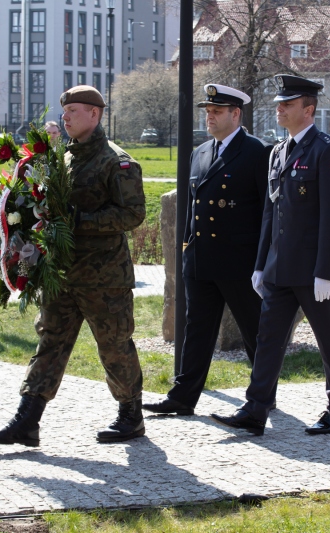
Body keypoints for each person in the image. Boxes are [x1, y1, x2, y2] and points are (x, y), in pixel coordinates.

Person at [0, 86, 146, 446]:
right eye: (65, 111)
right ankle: (27, 420)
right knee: (51, 342)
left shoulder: (116, 161)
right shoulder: (63, 159)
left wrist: (79, 220)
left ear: (95, 115)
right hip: (62, 274)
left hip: (104, 278)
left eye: (74, 110)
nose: (66, 117)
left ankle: (131, 415)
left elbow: (132, 214)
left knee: (114, 345)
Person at [210, 74, 330, 436]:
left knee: (329, 337)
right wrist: (260, 264)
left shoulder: (327, 151)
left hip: (312, 269)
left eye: (286, 104)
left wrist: (326, 270)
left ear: (308, 109)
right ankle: (256, 408)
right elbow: (270, 214)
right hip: (279, 267)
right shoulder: (278, 151)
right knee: (267, 339)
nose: (279, 109)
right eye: (279, 103)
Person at [142, 84, 270, 416]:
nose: (209, 117)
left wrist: (262, 261)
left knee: (254, 330)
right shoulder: (199, 153)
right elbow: (192, 207)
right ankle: (183, 396)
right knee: (196, 330)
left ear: (235, 114)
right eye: (207, 112)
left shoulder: (257, 152)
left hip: (239, 261)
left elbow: (268, 211)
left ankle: (262, 395)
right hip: (201, 259)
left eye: (216, 112)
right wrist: (186, 248)